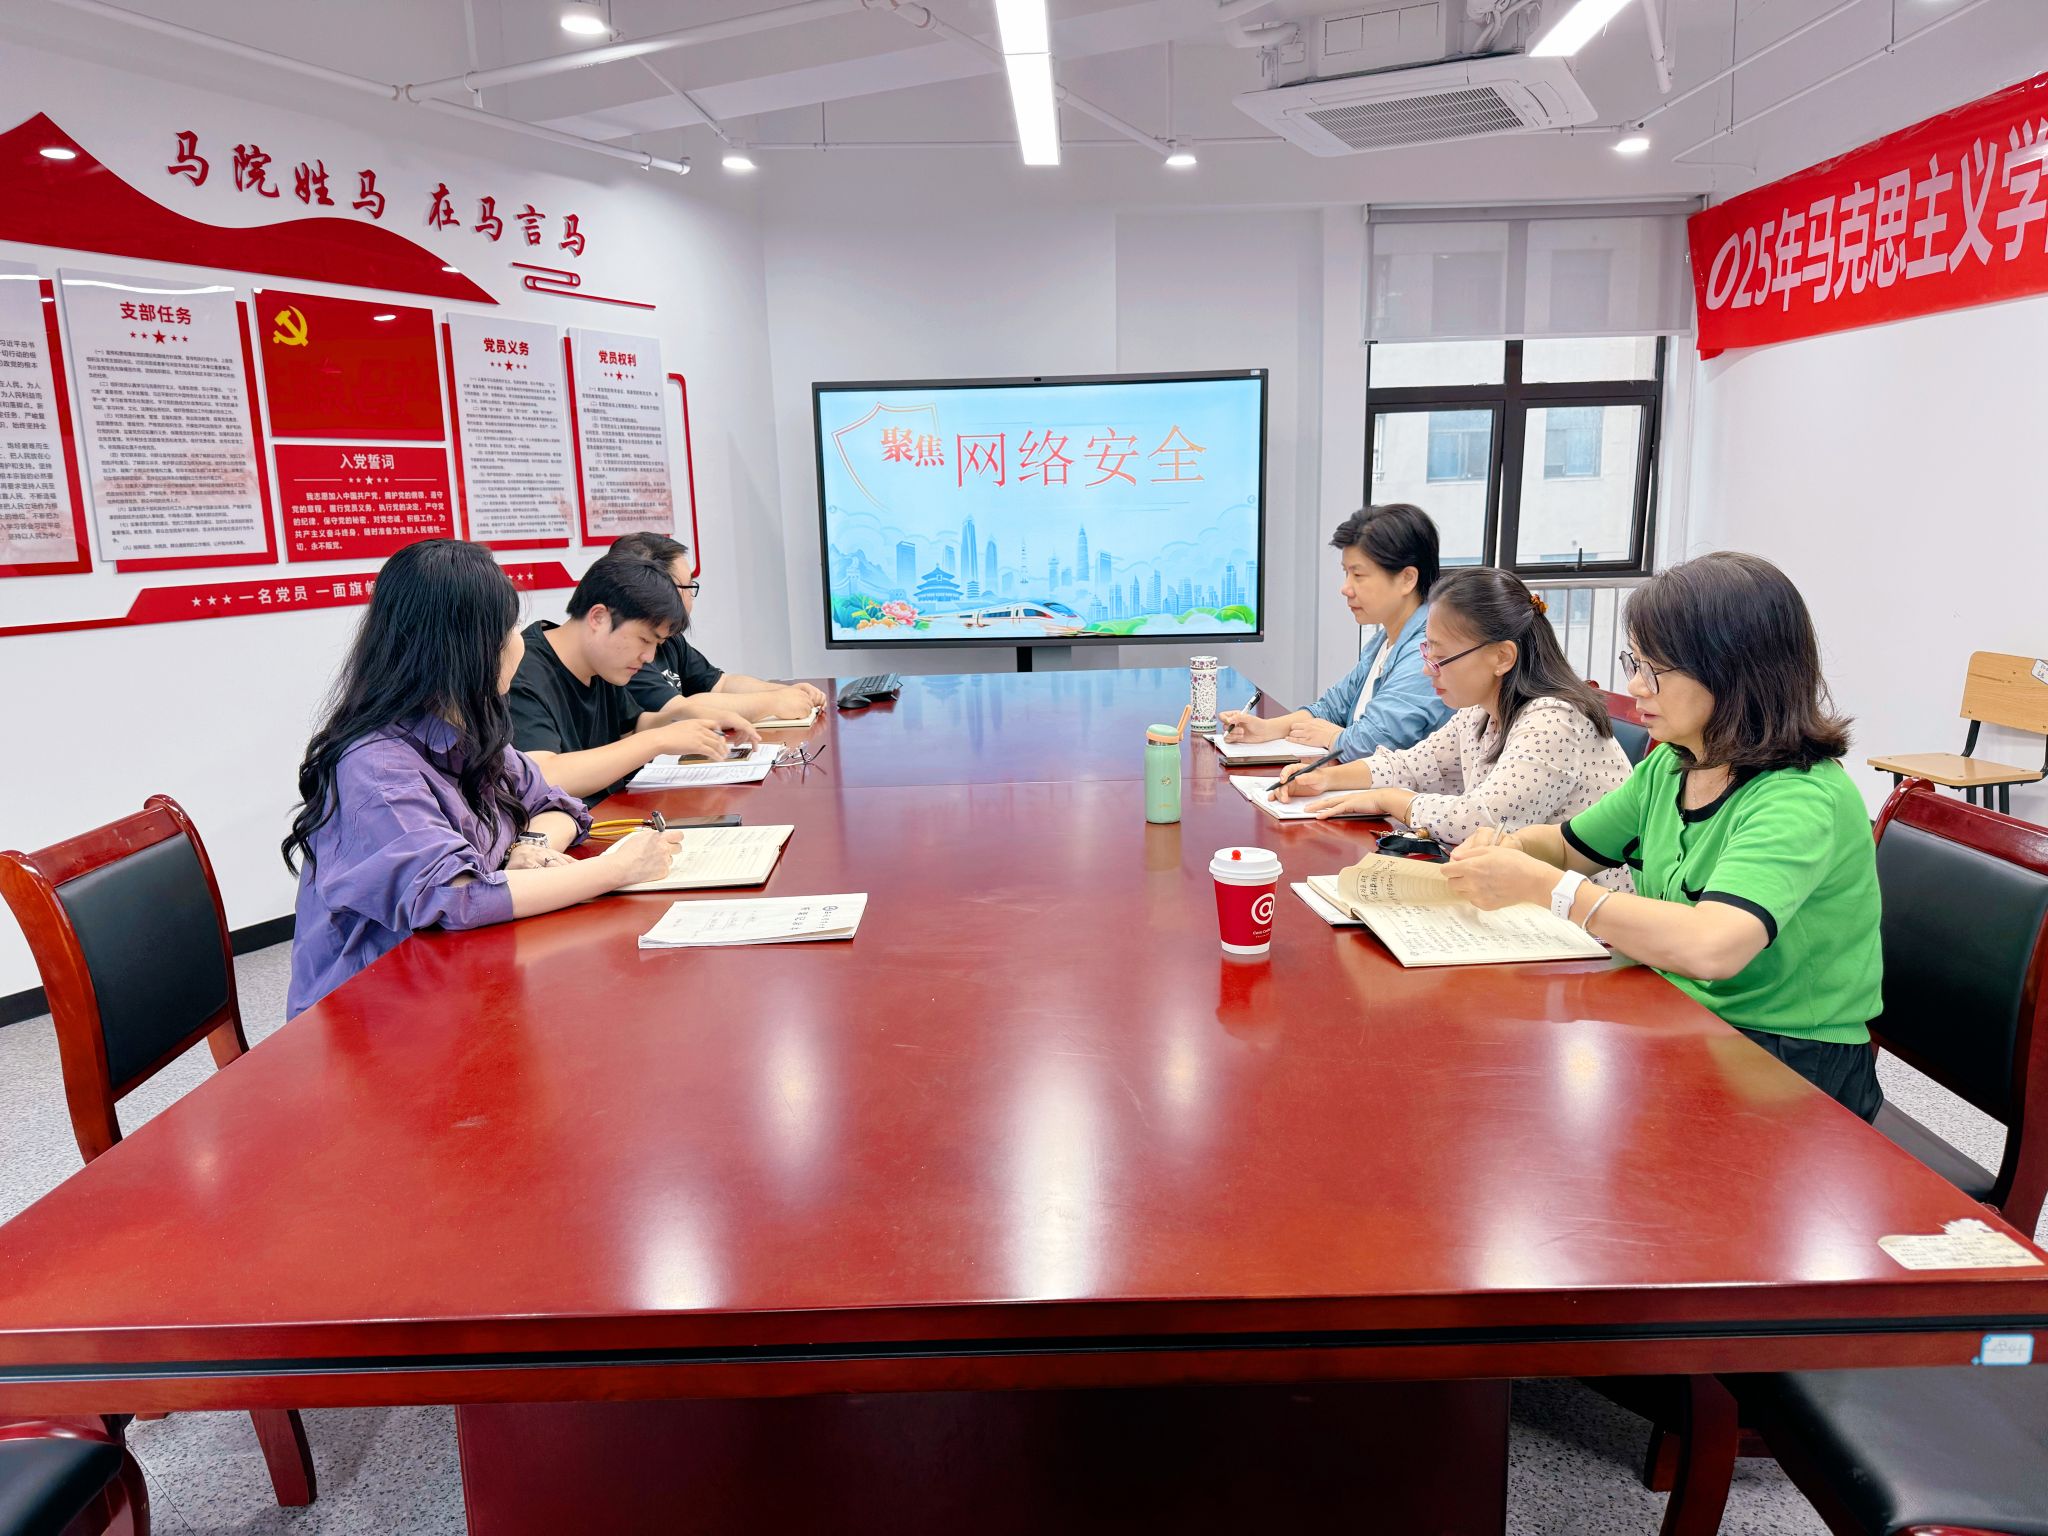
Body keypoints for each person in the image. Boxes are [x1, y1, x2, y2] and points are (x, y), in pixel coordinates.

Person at [1443, 552, 1884, 1120]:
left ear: (1731, 670)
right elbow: (1569, 846)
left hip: (1788, 1061)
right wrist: (1512, 847)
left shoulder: (1799, 797)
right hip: (1686, 1015)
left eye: (1653, 669)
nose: (1634, 685)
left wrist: (1549, 889)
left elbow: (1712, 947)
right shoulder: (1673, 765)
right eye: (1635, 661)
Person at [283, 539, 683, 1018]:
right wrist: (615, 870)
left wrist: (529, 845)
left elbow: (555, 803)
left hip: (459, 977)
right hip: (373, 1010)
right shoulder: (375, 766)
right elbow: (457, 895)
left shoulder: (465, 730)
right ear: (466, 646)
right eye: (508, 628)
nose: (519, 641)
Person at [1273, 567, 1635, 890]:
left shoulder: (1554, 720)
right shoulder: (1481, 710)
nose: (1427, 669)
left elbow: (1484, 820)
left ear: (1502, 657)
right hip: (1525, 897)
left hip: (1587, 919)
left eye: (1441, 657)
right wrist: (1325, 779)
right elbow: (1412, 765)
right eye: (1427, 651)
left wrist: (1389, 799)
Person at [508, 555, 759, 803]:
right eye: (644, 640)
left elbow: (633, 727)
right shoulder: (521, 672)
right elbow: (543, 775)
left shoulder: (602, 664)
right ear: (598, 617)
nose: (649, 657)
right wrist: (659, 740)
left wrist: (691, 717)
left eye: (656, 645)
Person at [1215, 503, 1450, 761]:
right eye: (1346, 573)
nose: (1345, 588)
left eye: (1358, 575)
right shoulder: (1383, 641)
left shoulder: (1426, 652)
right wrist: (1267, 729)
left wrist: (1332, 736)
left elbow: (1374, 743)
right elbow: (1331, 708)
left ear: (1407, 579)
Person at [608, 531, 829, 725]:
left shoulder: (671, 639)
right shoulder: (626, 653)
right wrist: (773, 702)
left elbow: (720, 684)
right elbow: (679, 710)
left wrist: (785, 692)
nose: (691, 595)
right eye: (687, 585)